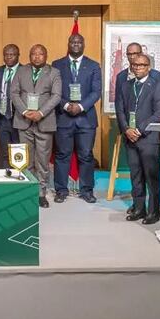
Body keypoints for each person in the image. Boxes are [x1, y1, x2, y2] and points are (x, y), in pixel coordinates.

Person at [116, 53, 160, 223]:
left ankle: (154, 211)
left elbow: (158, 113)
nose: (137, 68)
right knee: (135, 175)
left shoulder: (157, 85)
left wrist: (138, 129)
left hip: (149, 138)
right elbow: (120, 110)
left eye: (142, 65)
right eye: (135, 65)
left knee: (151, 177)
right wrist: (126, 129)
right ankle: (139, 208)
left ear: (149, 67)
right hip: (130, 138)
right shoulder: (126, 85)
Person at [51, 33, 101, 202]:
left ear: (84, 44)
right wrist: (66, 105)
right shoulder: (57, 65)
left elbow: (96, 92)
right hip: (63, 118)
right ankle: (61, 190)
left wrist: (80, 106)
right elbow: (54, 91)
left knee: (86, 155)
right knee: (62, 155)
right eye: (73, 41)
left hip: (86, 119)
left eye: (79, 42)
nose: (76, 44)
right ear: (68, 44)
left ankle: (87, 191)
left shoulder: (93, 65)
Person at [12, 45, 62, 208]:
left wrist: (40, 113)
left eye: (40, 54)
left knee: (42, 160)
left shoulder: (54, 72)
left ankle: (41, 193)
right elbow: (14, 93)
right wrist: (25, 111)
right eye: (33, 54)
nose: (37, 57)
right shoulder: (21, 71)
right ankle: (28, 191)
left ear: (46, 56)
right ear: (29, 55)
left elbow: (56, 96)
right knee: (26, 160)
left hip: (44, 121)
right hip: (24, 121)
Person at [0, 44, 21, 168]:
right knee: (5, 152)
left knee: (18, 152)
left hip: (19, 118)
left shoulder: (24, 70)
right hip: (3, 117)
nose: (9, 57)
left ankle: (19, 179)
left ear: (18, 56)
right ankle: (7, 178)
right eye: (6, 55)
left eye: (12, 54)